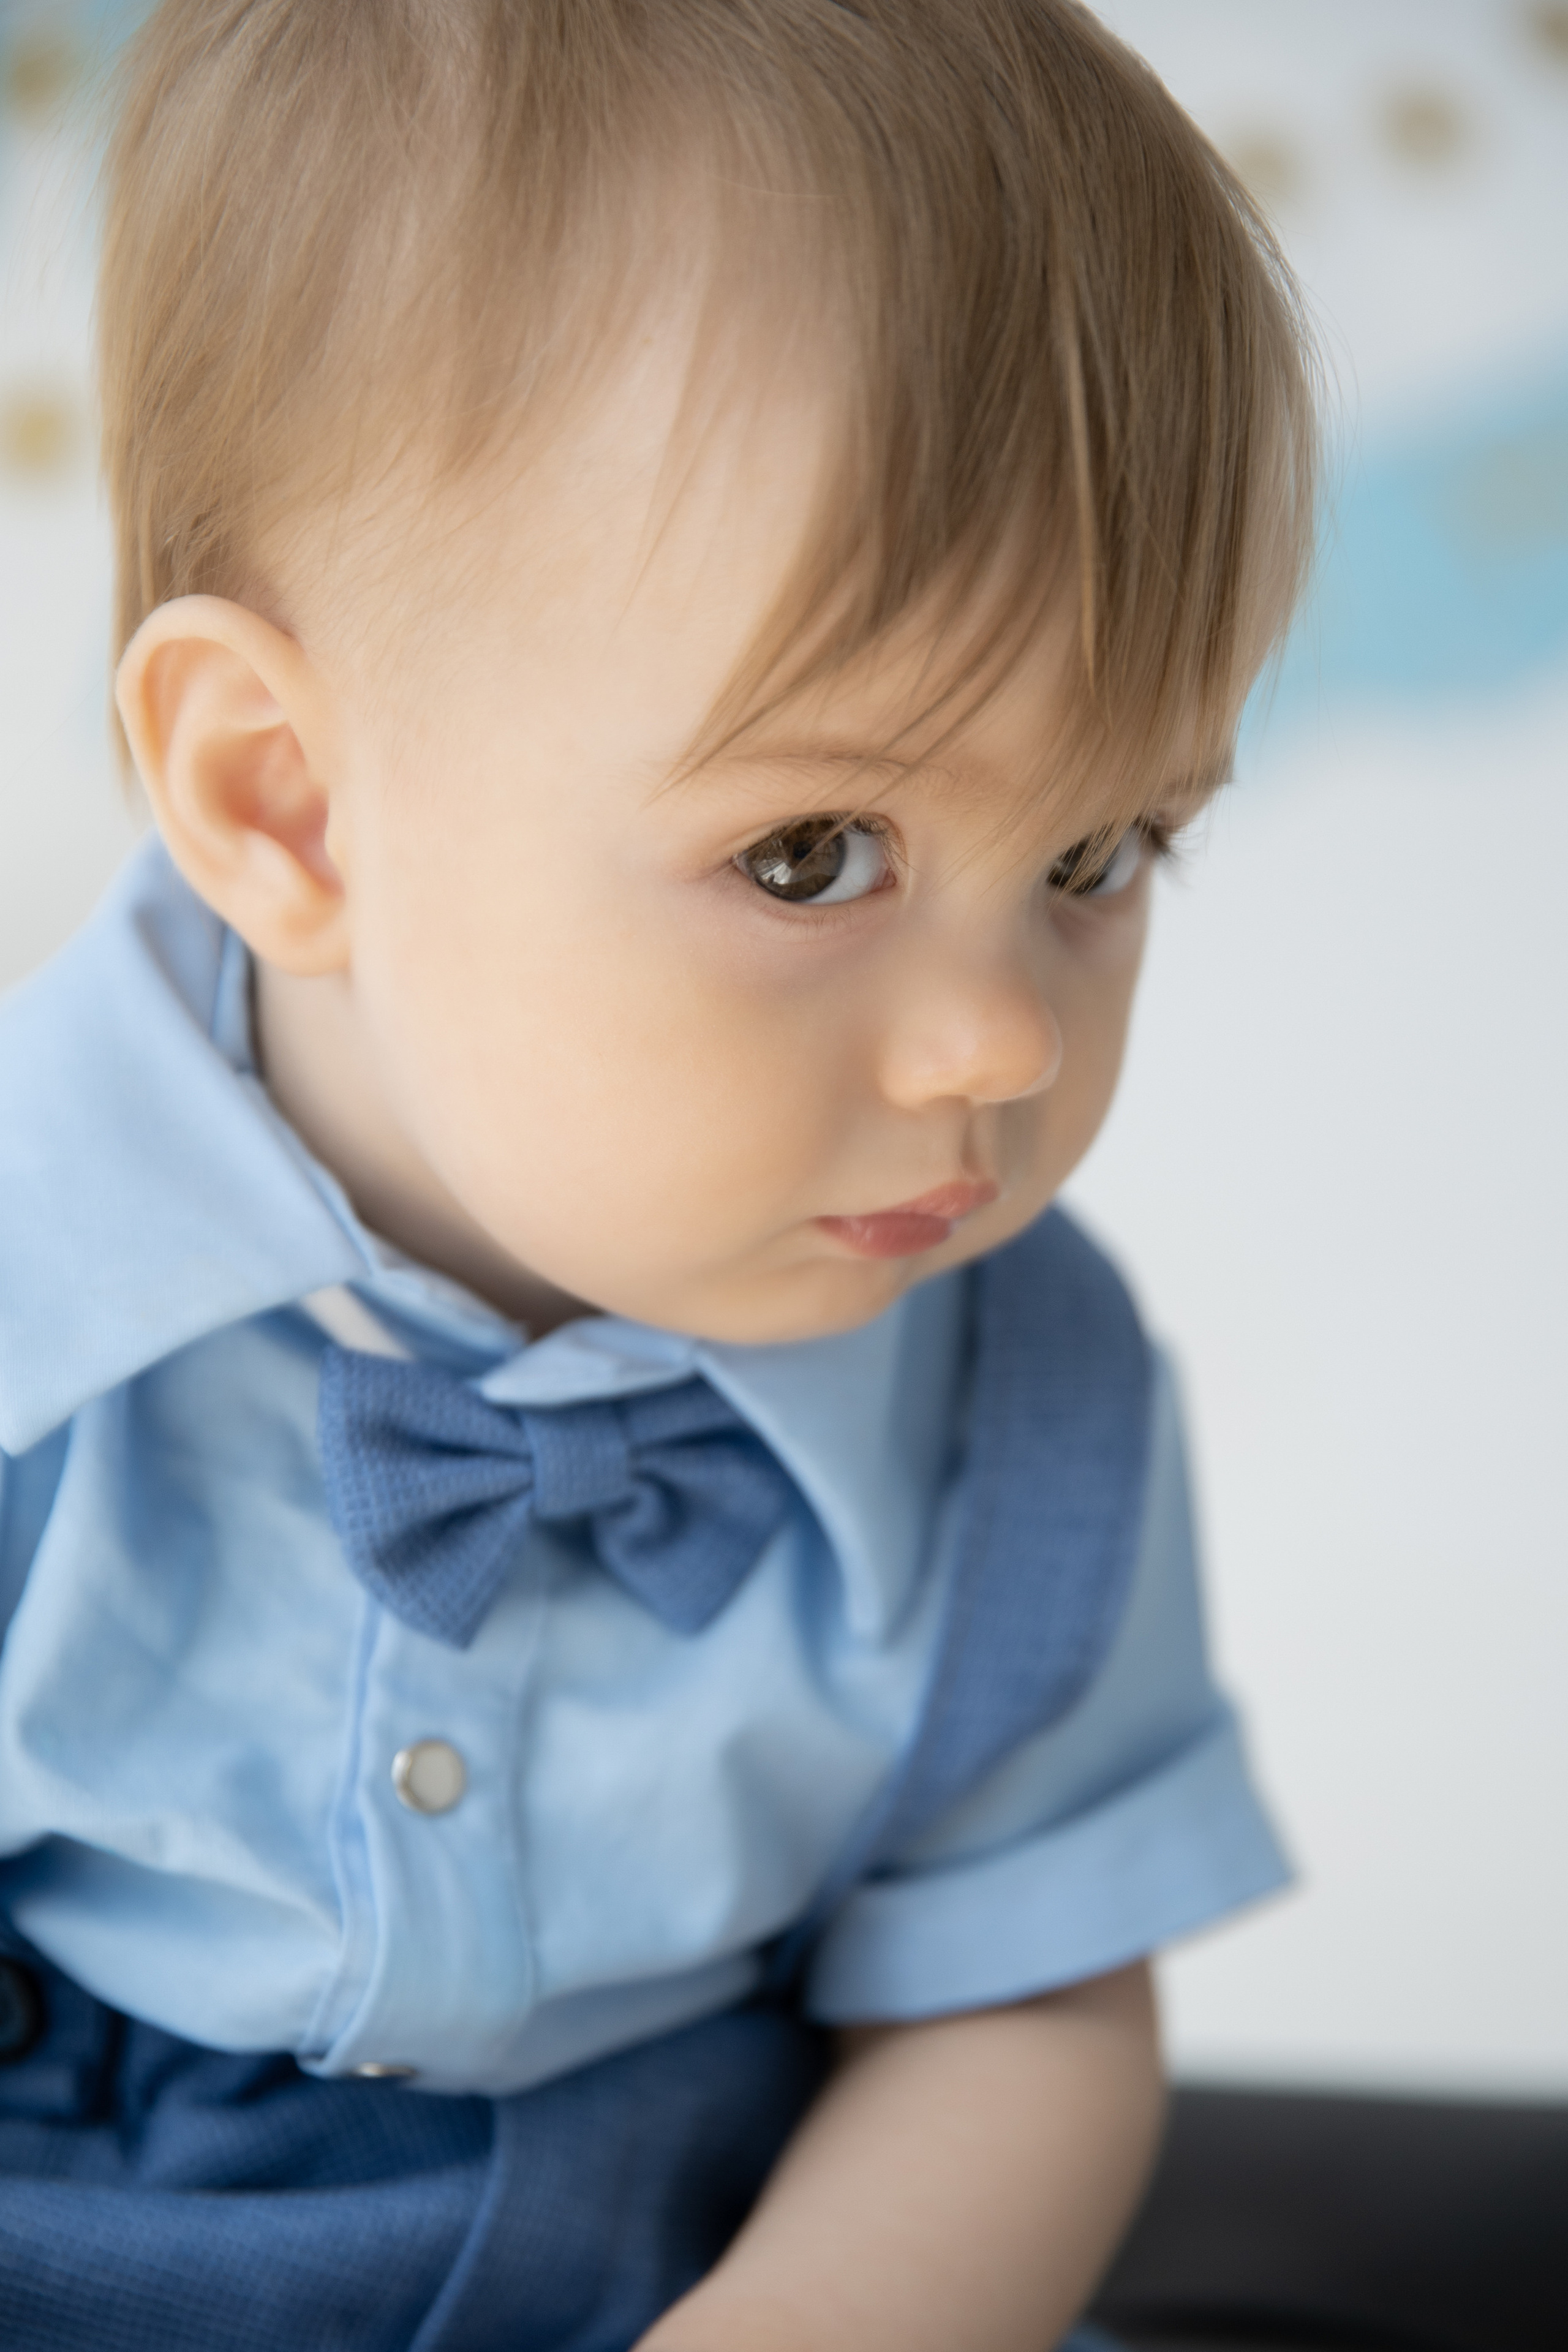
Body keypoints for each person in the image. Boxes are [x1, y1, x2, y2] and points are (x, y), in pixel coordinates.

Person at [0, 3, 1319, 2346]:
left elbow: (1016, 2004)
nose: (1005, 1039)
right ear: (285, 805)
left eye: (1105, 850)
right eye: (815, 853)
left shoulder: (1022, 1393)